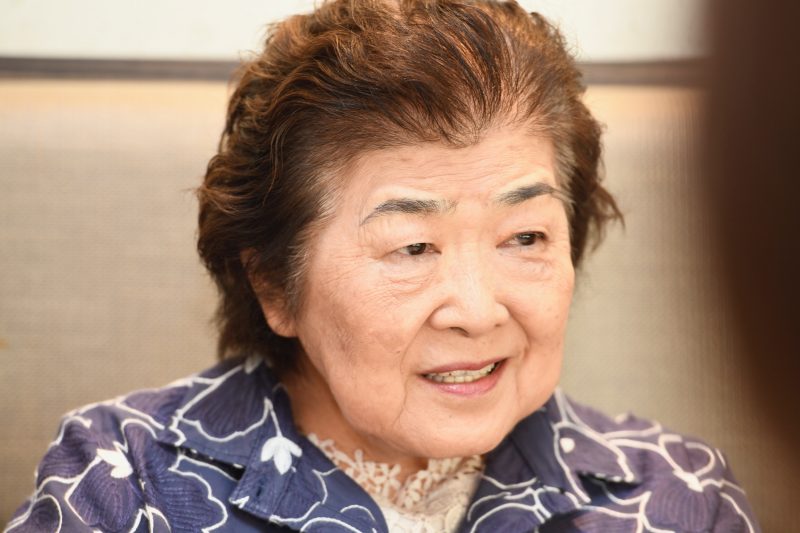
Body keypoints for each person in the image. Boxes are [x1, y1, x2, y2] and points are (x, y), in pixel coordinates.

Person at [6, 1, 760, 531]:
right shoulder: (125, 483)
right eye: (413, 247)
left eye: (525, 237)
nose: (477, 311)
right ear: (274, 284)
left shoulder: (678, 497)